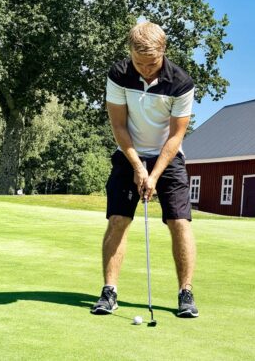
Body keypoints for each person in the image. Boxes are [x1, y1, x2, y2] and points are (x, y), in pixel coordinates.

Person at [90, 21, 198, 318]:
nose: (145, 70)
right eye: (139, 63)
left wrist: (154, 173)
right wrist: (138, 166)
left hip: (168, 155)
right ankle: (109, 291)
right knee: (118, 219)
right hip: (129, 154)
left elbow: (176, 136)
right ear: (130, 53)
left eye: (151, 63)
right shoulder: (118, 74)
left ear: (163, 52)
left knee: (180, 222)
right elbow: (118, 125)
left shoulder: (181, 83)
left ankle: (185, 293)